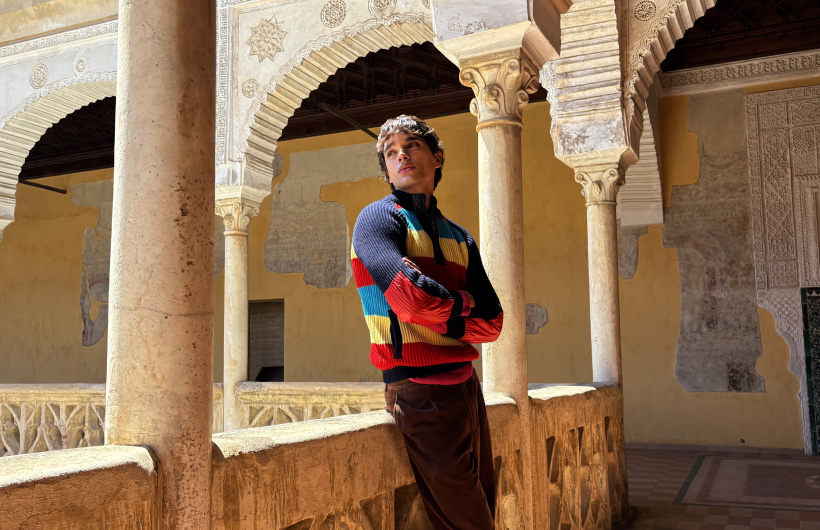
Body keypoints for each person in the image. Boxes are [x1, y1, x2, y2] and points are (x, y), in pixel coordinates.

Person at [351, 114, 504, 529]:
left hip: (468, 387)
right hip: (419, 393)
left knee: (483, 508)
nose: (401, 155)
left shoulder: (460, 237)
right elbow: (409, 300)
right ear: (386, 170)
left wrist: (440, 308)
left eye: (412, 145)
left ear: (437, 158)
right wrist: (465, 303)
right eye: (390, 152)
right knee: (471, 523)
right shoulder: (377, 220)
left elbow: (493, 323)